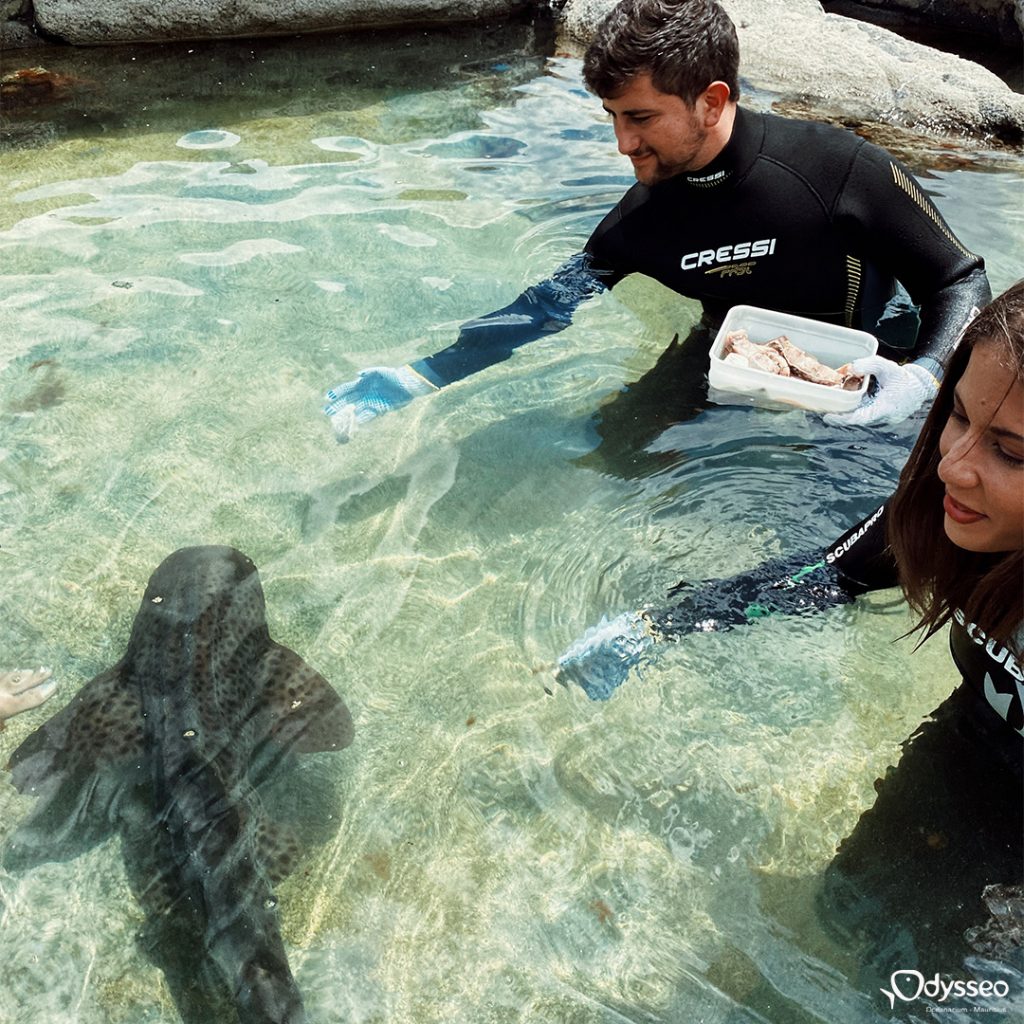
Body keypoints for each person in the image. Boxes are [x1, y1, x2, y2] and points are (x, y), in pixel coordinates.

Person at [557, 280, 1024, 986]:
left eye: (1011, 453)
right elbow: (830, 573)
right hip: (964, 750)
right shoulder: (956, 504)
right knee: (850, 912)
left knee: (943, 993)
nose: (952, 464)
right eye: (957, 416)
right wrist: (661, 625)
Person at [323, 0, 990, 446]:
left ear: (712, 100)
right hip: (731, 362)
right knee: (615, 450)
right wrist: (422, 376)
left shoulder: (837, 167)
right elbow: (546, 309)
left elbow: (960, 281)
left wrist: (925, 376)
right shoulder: (642, 221)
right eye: (612, 118)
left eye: (640, 118)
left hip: (870, 367)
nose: (622, 144)